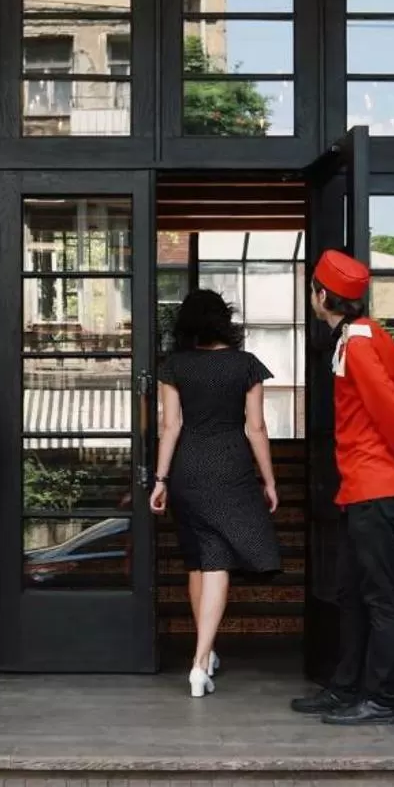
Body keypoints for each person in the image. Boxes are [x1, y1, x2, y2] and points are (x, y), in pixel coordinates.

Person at [292, 250, 394, 726]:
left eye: (312, 289)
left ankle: (381, 701)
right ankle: (346, 687)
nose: (312, 296)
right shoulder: (366, 335)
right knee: (350, 593)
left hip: (374, 487)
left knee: (380, 599)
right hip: (360, 487)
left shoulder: (358, 345)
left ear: (324, 296)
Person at [148, 290, 280, 697]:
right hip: (230, 468)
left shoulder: (176, 366)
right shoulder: (246, 365)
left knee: (198, 559)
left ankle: (205, 652)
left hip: (188, 469)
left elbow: (169, 427)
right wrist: (270, 480)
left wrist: (161, 479)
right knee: (216, 560)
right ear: (226, 321)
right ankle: (199, 663)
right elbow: (255, 428)